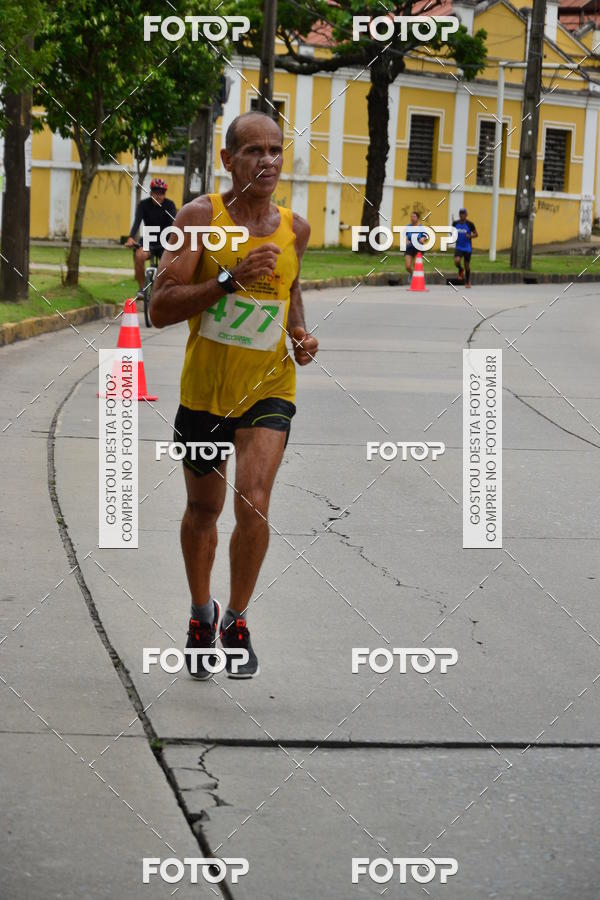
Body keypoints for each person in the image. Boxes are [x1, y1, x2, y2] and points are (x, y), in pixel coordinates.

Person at [150, 111, 318, 680]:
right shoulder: (198, 219)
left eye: (276, 150)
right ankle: (203, 615)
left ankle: (238, 620)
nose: (268, 161)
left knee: (254, 501)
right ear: (228, 160)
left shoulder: (296, 228)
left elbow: (290, 289)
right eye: (254, 151)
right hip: (205, 391)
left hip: (269, 386)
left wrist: (299, 332)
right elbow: (159, 308)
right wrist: (228, 279)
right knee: (204, 510)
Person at [126, 178, 177, 297]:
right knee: (139, 256)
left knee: (173, 263)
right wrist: (131, 237)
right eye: (156, 193)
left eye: (162, 193)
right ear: (151, 193)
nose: (159, 196)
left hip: (166, 240)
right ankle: (141, 289)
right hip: (149, 239)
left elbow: (174, 223)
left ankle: (168, 288)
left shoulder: (170, 205)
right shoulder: (143, 205)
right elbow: (137, 222)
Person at [452, 208, 478, 288]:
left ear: (466, 215)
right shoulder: (455, 223)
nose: (462, 215)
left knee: (467, 265)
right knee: (457, 261)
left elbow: (476, 234)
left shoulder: (470, 224)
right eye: (460, 213)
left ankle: (467, 282)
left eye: (463, 214)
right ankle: (460, 269)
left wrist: (470, 236)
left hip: (467, 248)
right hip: (459, 247)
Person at [404, 210, 426, 285]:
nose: (412, 218)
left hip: (418, 247)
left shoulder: (421, 227)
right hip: (409, 247)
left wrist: (423, 239)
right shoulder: (408, 226)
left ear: (418, 218)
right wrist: (406, 241)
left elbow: (425, 236)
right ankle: (412, 273)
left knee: (416, 265)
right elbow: (406, 236)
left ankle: (416, 280)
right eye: (411, 216)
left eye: (414, 216)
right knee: (407, 266)